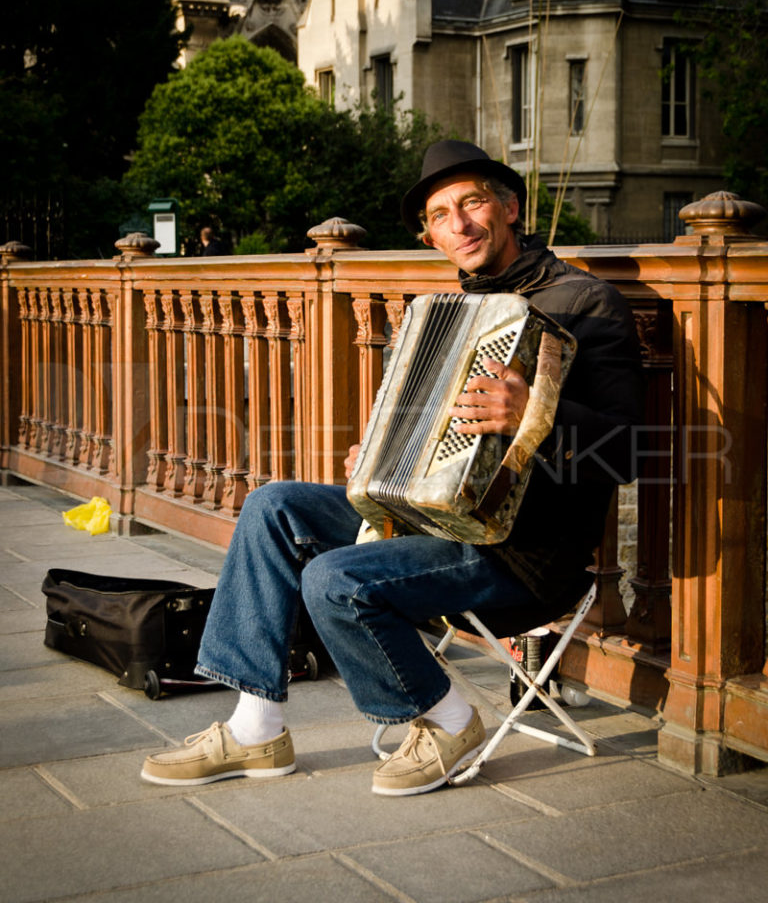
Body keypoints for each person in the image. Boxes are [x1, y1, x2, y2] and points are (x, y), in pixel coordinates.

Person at [141, 140, 644, 795]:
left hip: (519, 557)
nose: (459, 225)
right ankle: (255, 728)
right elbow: (416, 434)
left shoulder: (587, 304)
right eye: (440, 214)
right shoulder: (442, 314)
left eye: (473, 202)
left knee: (333, 578)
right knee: (273, 507)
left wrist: (536, 417)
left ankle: (449, 722)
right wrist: (377, 461)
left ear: (510, 207)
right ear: (431, 234)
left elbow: (629, 453)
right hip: (427, 524)